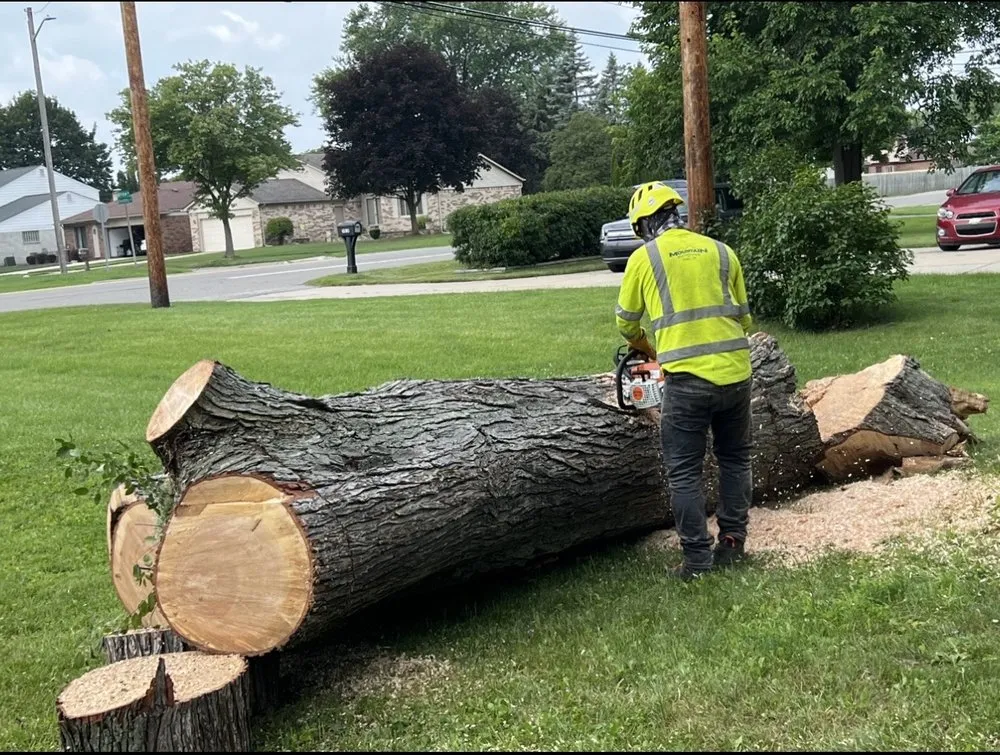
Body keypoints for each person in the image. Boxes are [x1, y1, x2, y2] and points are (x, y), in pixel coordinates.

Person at [614, 181, 754, 581]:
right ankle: (733, 543)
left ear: (644, 224)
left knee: (684, 470)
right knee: (735, 459)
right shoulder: (722, 251)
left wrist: (647, 348)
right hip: (737, 374)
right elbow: (744, 319)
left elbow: (626, 323)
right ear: (675, 214)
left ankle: (697, 561)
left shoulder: (645, 258)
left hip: (688, 382)